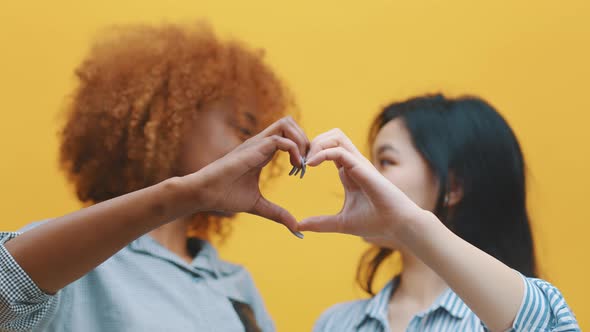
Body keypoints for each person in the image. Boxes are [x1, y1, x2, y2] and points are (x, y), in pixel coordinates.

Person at [0, 22, 308, 332]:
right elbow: (6, 283)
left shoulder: (236, 286)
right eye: (243, 128)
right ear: (169, 119)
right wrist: (181, 194)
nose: (260, 149)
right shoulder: (75, 263)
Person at [300, 94, 579, 331]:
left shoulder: (497, 318)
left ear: (453, 186)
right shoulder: (337, 323)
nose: (363, 176)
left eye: (385, 161)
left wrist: (410, 224)